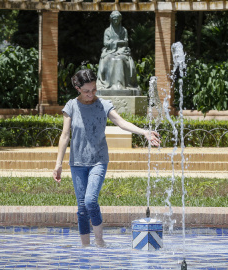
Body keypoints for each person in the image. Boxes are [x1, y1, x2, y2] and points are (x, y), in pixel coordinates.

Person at [53, 69, 160, 247]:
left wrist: (144, 132)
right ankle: (85, 248)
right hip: (77, 162)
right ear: (77, 88)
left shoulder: (103, 104)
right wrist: (58, 164)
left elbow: (121, 122)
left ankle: (100, 242)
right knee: (81, 209)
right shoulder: (71, 106)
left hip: (98, 161)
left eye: (94, 89)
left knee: (90, 201)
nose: (91, 94)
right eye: (87, 91)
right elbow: (64, 136)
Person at [96, 11, 138, 92]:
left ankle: (120, 84)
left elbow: (126, 42)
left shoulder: (123, 30)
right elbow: (105, 43)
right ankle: (109, 84)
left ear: (120, 20)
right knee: (109, 59)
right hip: (109, 51)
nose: (116, 21)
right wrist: (114, 43)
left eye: (117, 19)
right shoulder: (107, 31)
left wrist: (117, 42)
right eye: (114, 19)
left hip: (122, 51)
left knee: (120, 60)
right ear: (111, 20)